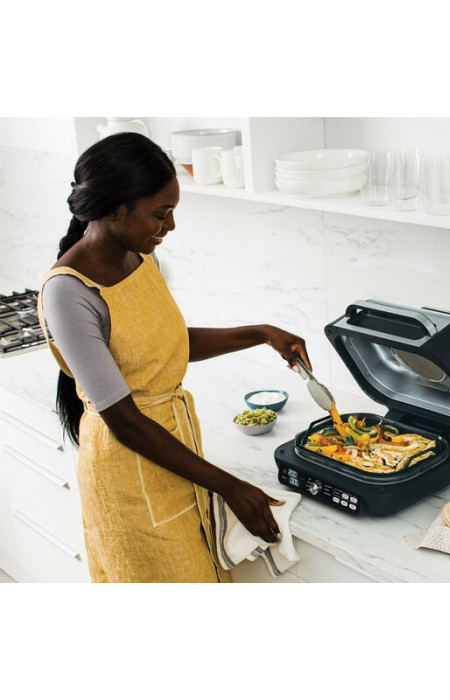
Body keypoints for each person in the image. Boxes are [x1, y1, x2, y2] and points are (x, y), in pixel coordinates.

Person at [38, 132, 311, 583]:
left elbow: (162, 343)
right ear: (115, 209)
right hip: (128, 473)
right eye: (160, 214)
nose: (170, 226)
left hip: (176, 452)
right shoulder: (69, 292)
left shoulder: (140, 258)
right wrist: (230, 486)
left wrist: (261, 334)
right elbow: (124, 420)